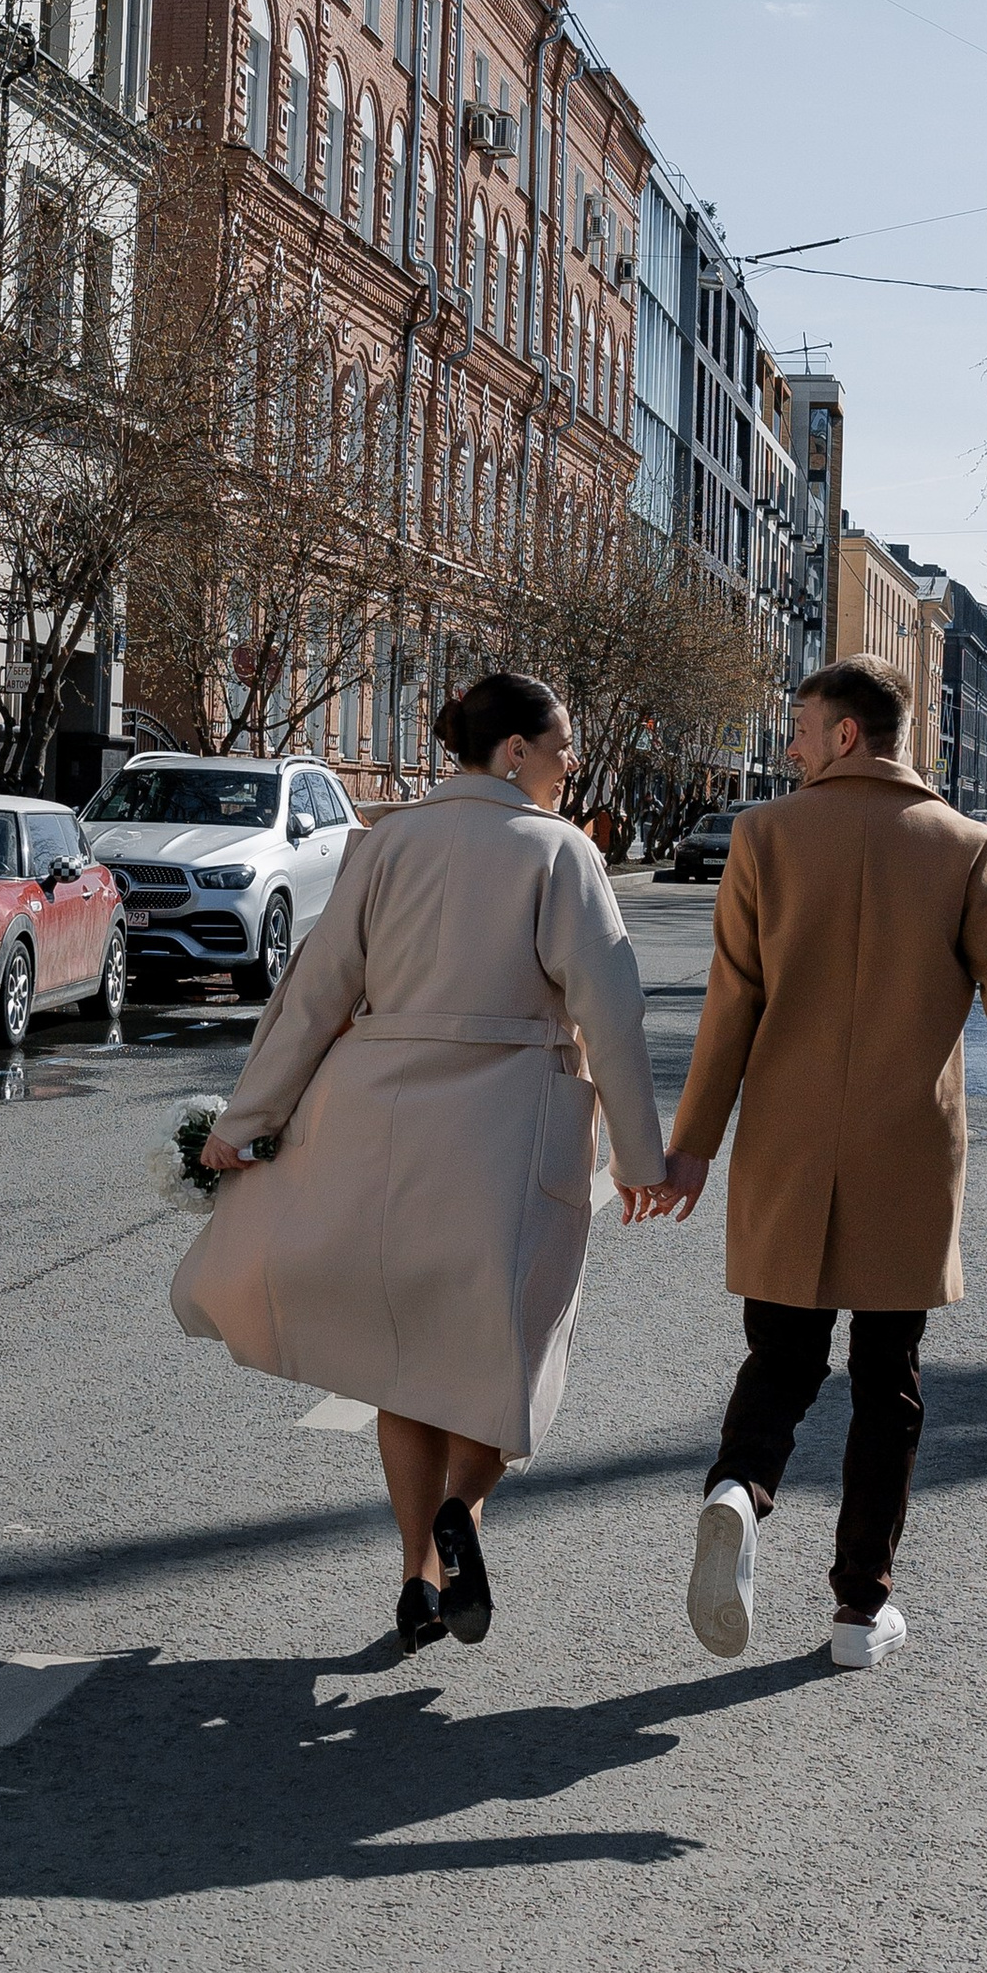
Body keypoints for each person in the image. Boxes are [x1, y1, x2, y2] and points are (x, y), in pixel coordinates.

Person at [645, 655, 987, 1671]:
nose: (788, 745)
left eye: (799, 727)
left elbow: (730, 1007)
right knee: (887, 1382)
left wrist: (690, 1147)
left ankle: (738, 1486)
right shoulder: (964, 844)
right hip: (906, 1153)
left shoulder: (764, 836)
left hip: (787, 1148)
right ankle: (859, 1611)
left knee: (782, 1359)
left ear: (845, 735)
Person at [173, 671, 666, 1656]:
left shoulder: (385, 842)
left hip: (382, 1129)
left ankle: (416, 1580)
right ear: (514, 751)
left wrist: (247, 1118)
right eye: (561, 745)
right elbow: (611, 1013)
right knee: (504, 1352)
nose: (571, 762)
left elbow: (313, 996)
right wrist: (639, 1155)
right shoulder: (560, 853)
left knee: (406, 1366)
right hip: (510, 1133)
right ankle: (462, 1512)